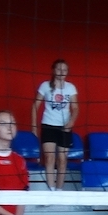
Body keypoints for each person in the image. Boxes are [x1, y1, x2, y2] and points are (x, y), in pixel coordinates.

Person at [31, 58, 78, 194]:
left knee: (62, 159)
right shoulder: (45, 86)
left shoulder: (71, 87)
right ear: (53, 70)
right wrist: (34, 127)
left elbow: (75, 108)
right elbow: (35, 106)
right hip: (48, 125)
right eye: (59, 69)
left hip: (64, 127)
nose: (61, 72)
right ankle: (51, 190)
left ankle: (59, 190)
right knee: (49, 158)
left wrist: (71, 121)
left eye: (64, 70)